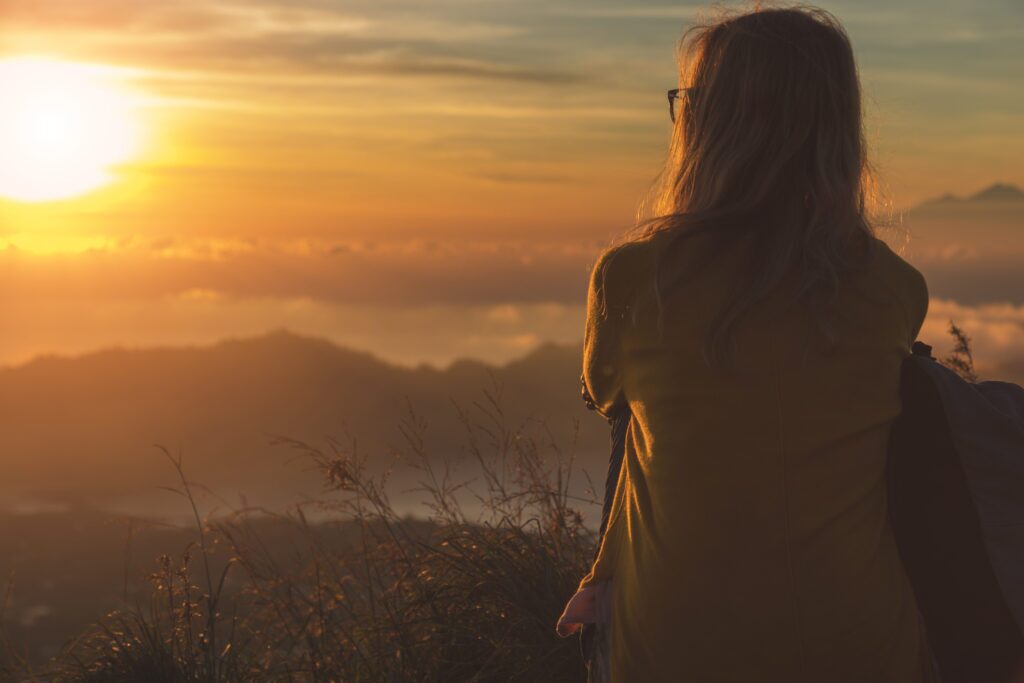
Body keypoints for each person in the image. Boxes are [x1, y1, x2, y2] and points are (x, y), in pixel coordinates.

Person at [555, 6, 936, 682]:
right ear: (838, 131)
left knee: (632, 429)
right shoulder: (896, 289)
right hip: (864, 650)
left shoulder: (633, 279)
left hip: (674, 655)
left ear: (710, 128)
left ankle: (603, 591)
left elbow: (609, 396)